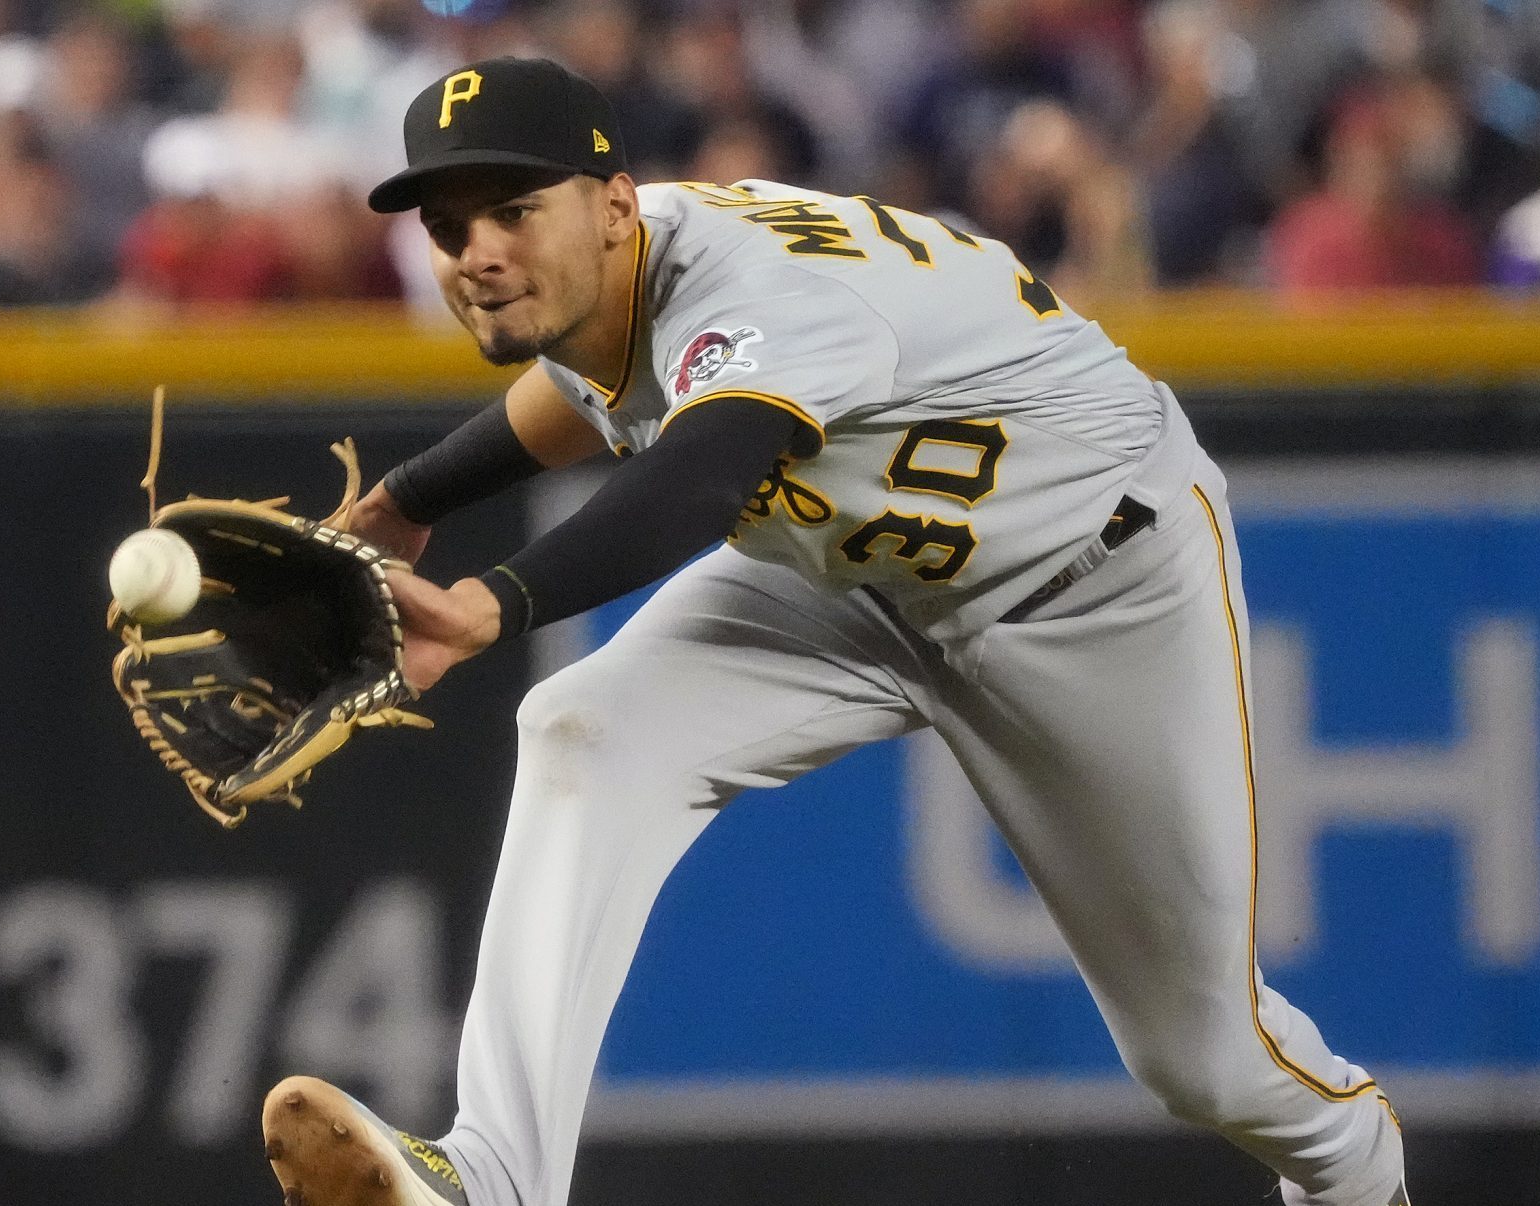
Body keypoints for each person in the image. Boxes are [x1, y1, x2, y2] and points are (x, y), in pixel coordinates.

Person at [260, 57, 1411, 1206]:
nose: (481, 252)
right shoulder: (610, 270)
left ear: (613, 204)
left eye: (514, 211)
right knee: (582, 726)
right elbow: (584, 387)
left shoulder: (755, 287)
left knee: (1205, 1063)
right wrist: (406, 499)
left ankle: (1356, 1172)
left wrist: (484, 605)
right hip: (850, 582)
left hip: (1090, 587)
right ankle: (491, 1181)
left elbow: (703, 477)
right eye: (452, 226)